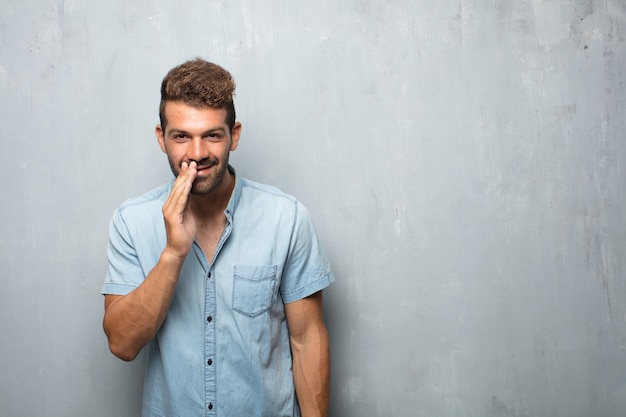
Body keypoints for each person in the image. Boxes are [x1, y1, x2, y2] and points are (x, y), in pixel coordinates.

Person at [100, 58, 335, 417]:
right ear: (162, 138)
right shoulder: (131, 222)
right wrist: (173, 254)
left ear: (234, 135)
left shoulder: (286, 218)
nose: (197, 154)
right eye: (181, 136)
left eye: (212, 134)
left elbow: (307, 340)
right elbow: (122, 343)